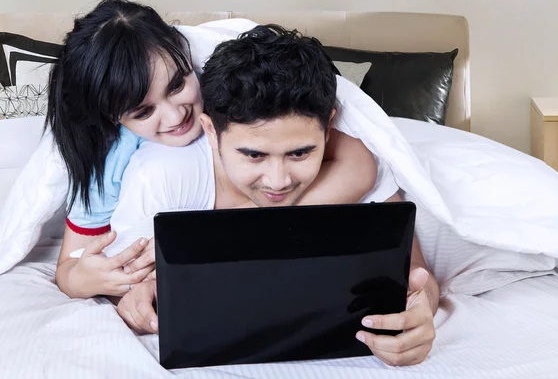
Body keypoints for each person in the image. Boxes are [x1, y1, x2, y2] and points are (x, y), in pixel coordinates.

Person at [110, 25, 439, 366]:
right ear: (211, 131)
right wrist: (135, 300)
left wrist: (421, 309)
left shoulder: (357, 159)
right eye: (253, 155)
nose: (278, 181)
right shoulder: (161, 175)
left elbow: (417, 275)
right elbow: (119, 282)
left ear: (328, 127)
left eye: (299, 153)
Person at [46, 0, 379, 299]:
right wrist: (81, 282)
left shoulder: (230, 86)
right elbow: (67, 267)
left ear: (185, 53)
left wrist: (231, 229)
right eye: (143, 112)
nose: (176, 115)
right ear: (115, 117)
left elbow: (362, 161)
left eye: (177, 85)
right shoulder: (110, 159)